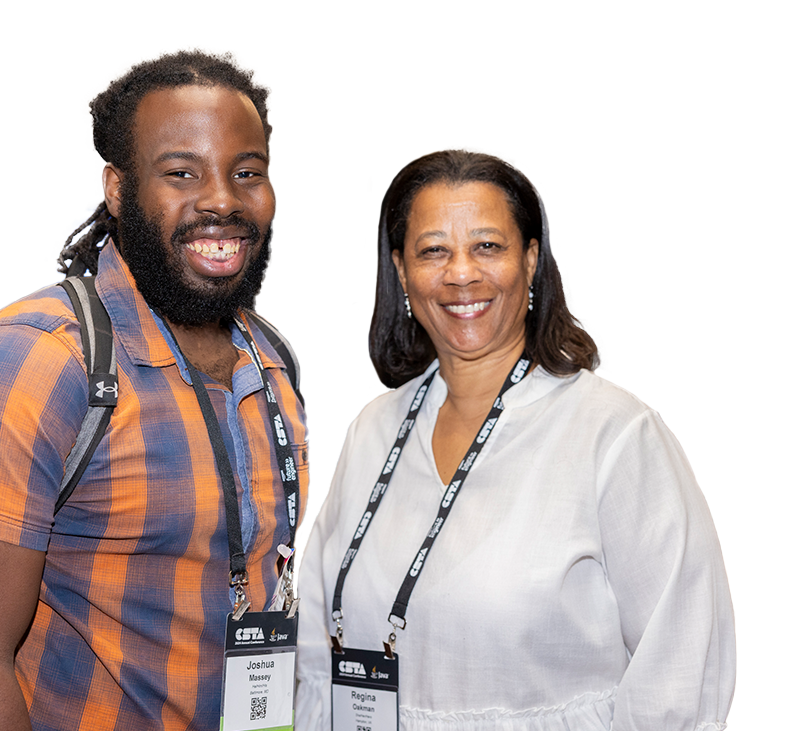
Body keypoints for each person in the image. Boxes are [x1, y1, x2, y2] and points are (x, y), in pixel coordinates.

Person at [0, 49, 308, 731]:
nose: (222, 200)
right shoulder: (32, 361)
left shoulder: (273, 360)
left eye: (247, 173)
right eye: (181, 172)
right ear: (117, 188)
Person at [295, 147, 734, 730]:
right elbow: (317, 634)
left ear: (530, 261)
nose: (460, 273)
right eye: (433, 250)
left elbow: (679, 668)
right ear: (401, 270)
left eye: (487, 246)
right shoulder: (376, 429)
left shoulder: (615, 435)